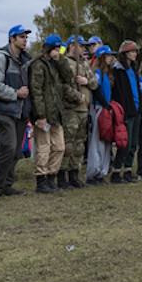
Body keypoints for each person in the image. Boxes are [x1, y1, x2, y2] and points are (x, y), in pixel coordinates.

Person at [0, 24, 32, 200]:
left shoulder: (26, 61)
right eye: (21, 37)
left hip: (21, 112)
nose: (25, 40)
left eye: (26, 37)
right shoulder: (0, 59)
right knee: (8, 147)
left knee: (15, 151)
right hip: (5, 111)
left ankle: (7, 184)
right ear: (12, 39)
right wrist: (16, 94)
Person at [27, 35, 73, 194]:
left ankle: (51, 176)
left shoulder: (57, 63)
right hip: (44, 113)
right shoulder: (38, 66)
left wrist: (60, 60)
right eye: (54, 48)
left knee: (60, 147)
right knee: (43, 147)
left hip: (57, 112)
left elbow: (69, 77)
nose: (56, 51)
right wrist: (40, 115)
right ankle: (41, 178)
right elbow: (36, 91)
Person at [60, 35, 98, 189]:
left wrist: (86, 81)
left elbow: (95, 83)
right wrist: (76, 96)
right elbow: (63, 86)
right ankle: (62, 175)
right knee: (68, 144)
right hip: (71, 109)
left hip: (84, 110)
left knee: (80, 145)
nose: (84, 49)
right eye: (81, 46)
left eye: (84, 46)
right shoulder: (65, 63)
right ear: (71, 46)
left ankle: (74, 173)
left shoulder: (84, 64)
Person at [110, 40, 141, 183]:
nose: (134, 54)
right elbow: (119, 93)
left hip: (136, 109)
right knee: (125, 143)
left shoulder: (133, 70)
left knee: (134, 143)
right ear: (125, 53)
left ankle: (128, 170)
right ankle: (116, 171)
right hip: (125, 111)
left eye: (135, 51)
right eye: (132, 51)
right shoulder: (117, 71)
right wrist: (123, 111)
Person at [86, 45, 116, 185]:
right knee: (97, 141)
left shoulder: (107, 74)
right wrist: (105, 104)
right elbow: (96, 89)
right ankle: (93, 172)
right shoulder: (97, 72)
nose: (110, 58)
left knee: (106, 140)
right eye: (108, 55)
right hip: (98, 107)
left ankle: (102, 171)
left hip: (106, 108)